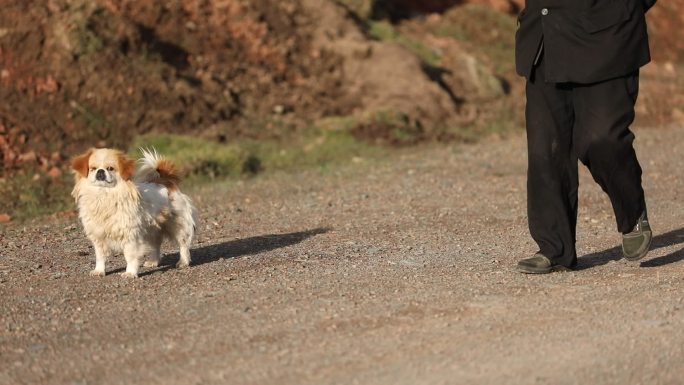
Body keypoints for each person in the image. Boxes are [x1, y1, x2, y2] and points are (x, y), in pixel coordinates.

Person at [514, 0, 657, 273]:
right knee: (546, 149)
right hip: (546, 36)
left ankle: (632, 211)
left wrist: (624, 9)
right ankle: (554, 248)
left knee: (601, 139)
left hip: (608, 38)